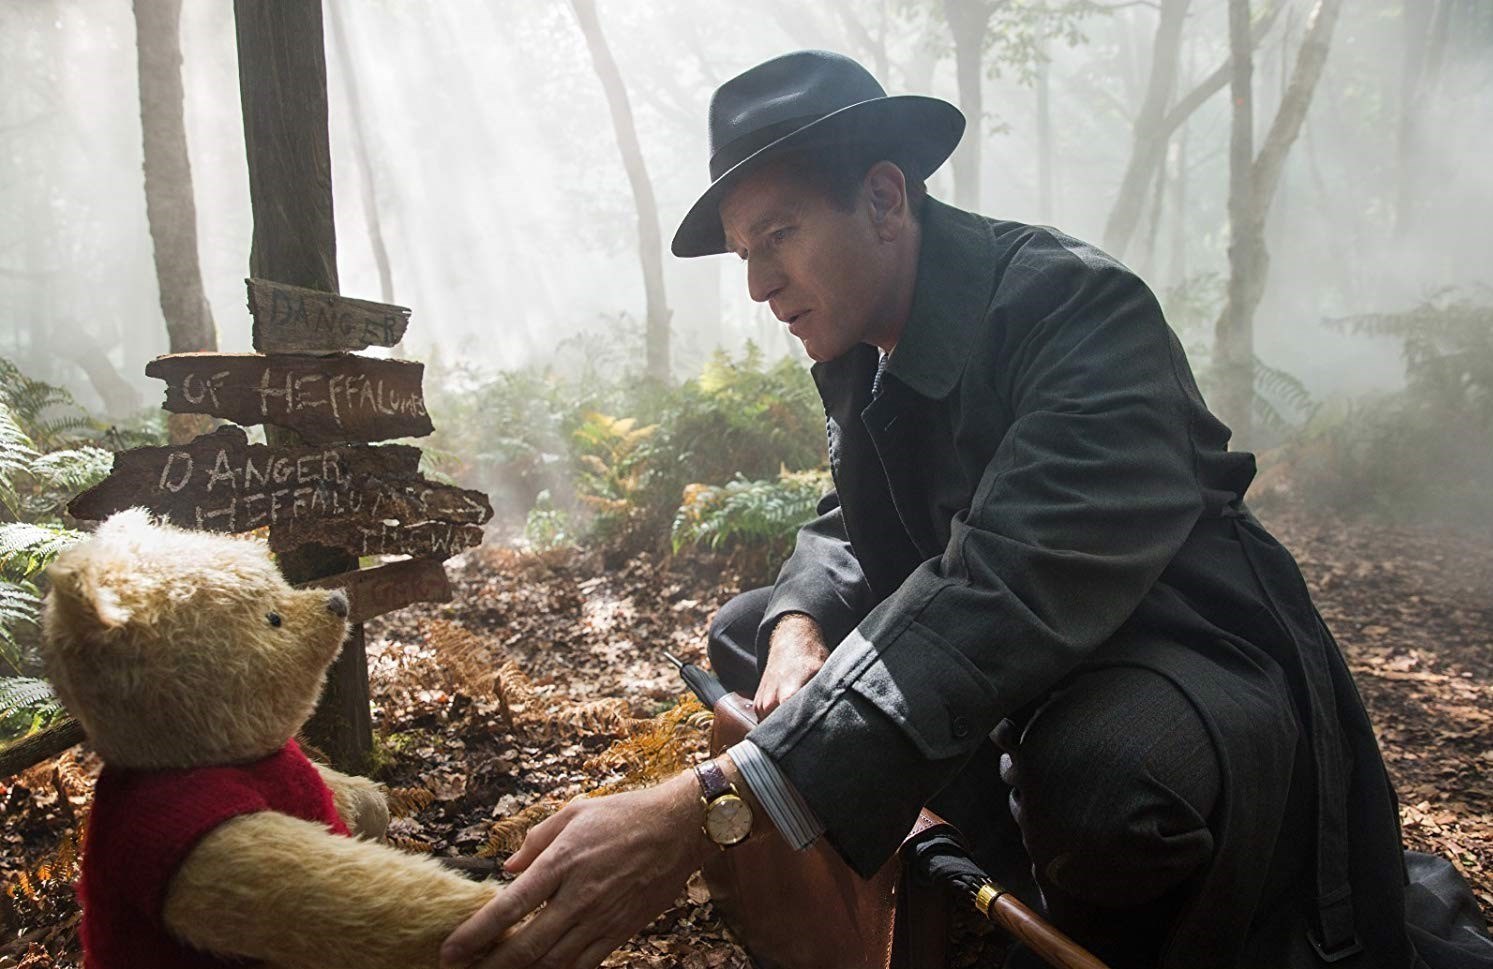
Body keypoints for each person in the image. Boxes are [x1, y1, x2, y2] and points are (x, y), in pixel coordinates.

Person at [441, 50, 1431, 969]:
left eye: (777, 236)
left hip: (1174, 650)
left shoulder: (1080, 313)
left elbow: (1006, 582)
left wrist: (711, 803)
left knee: (1102, 778)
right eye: (743, 252)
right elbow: (852, 512)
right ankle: (953, 903)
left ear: (883, 199)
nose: (756, 285)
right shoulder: (860, 338)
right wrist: (796, 625)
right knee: (750, 631)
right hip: (1010, 651)